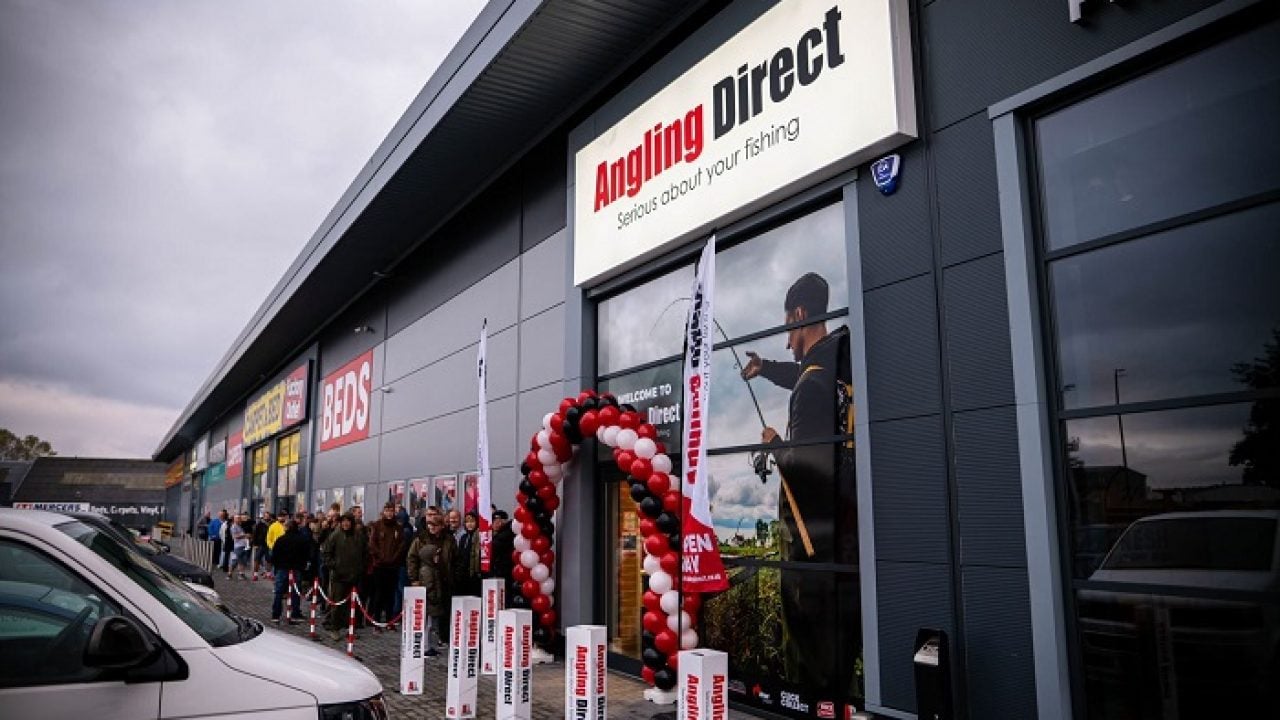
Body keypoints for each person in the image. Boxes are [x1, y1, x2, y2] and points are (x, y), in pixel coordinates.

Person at [740, 271, 856, 691]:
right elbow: (805, 372)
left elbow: (806, 474)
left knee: (810, 665)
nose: (787, 343)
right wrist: (766, 369)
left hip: (810, 555)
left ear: (799, 315)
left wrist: (775, 444)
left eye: (788, 330)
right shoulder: (842, 368)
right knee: (839, 661)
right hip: (844, 542)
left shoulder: (812, 386)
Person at [406, 515, 450, 656]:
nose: (432, 528)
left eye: (435, 525)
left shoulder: (448, 539)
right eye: (430, 525)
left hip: (442, 579)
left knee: (435, 620)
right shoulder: (420, 540)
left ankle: (435, 642)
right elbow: (411, 559)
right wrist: (414, 579)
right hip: (428, 584)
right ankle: (426, 645)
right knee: (428, 621)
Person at [321, 513, 367, 641]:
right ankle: (334, 628)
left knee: (352, 606)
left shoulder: (359, 536)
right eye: (343, 521)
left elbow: (365, 553)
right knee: (337, 604)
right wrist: (335, 565)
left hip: (354, 576)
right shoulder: (335, 535)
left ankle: (350, 628)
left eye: (348, 521)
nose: (346, 524)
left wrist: (360, 568)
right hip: (339, 576)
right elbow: (326, 553)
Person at [367, 502, 407, 631]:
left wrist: (394, 558)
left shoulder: (398, 527)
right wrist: (381, 557)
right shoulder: (377, 526)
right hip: (379, 565)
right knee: (379, 594)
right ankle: (377, 621)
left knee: (391, 594)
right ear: (383, 511)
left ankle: (390, 620)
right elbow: (372, 544)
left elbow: (401, 545)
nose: (389, 513)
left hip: (393, 566)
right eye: (387, 510)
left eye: (391, 511)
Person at [270, 520, 309, 623]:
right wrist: (302, 565)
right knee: (295, 591)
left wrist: (277, 566)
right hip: (296, 568)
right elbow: (306, 554)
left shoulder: (281, 539)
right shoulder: (302, 540)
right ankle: (295, 613)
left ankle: (275, 615)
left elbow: (274, 555)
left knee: (279, 592)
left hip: (282, 568)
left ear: (287, 528)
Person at [452, 511, 482, 598]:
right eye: (467, 522)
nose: (469, 524)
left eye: (472, 521)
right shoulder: (464, 537)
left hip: (475, 575)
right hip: (463, 575)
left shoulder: (480, 536)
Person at [488, 509, 514, 582]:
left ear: (505, 521)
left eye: (498, 521)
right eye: (493, 521)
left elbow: (493, 550)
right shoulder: (495, 535)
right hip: (500, 571)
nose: (496, 524)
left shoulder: (505, 535)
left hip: (505, 572)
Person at [228, 514, 250, 579]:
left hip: (243, 545)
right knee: (234, 561)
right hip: (238, 546)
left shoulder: (240, 526)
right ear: (234, 519)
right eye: (237, 518)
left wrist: (247, 537)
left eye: (239, 518)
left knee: (242, 561)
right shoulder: (233, 527)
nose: (239, 519)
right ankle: (229, 574)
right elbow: (234, 536)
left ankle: (241, 574)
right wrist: (245, 535)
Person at [252, 510, 272, 577]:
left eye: (268, 516)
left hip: (268, 544)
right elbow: (255, 534)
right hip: (260, 544)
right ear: (263, 516)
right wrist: (255, 544)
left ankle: (268, 574)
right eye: (265, 516)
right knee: (257, 559)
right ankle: (255, 574)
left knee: (269, 560)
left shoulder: (272, 524)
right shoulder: (259, 524)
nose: (267, 517)